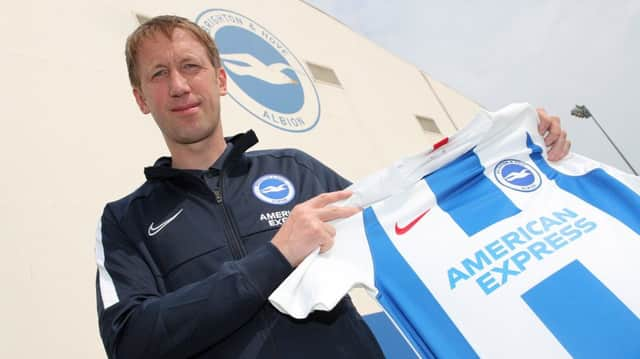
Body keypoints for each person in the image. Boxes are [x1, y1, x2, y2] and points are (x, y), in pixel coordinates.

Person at [95, 15, 571, 359]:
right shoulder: (126, 220)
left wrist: (506, 152)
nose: (179, 85)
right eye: (159, 74)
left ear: (220, 79)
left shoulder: (297, 171)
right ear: (141, 99)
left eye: (190, 66)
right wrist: (274, 258)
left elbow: (413, 217)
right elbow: (131, 341)